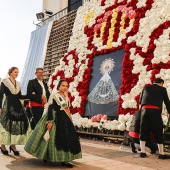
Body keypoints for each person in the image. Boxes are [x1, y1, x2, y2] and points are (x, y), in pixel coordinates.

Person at [24, 79, 82, 168]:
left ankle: (65, 159)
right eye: (63, 85)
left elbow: (67, 109)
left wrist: (70, 119)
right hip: (55, 117)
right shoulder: (55, 95)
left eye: (66, 86)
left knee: (66, 138)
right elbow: (50, 108)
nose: (65, 87)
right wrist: (50, 121)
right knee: (50, 138)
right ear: (58, 86)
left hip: (65, 119)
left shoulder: (66, 97)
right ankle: (46, 155)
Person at [0, 67, 31, 155]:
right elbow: (0, 94)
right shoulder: (5, 81)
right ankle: (3, 145)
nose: (17, 73)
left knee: (16, 124)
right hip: (7, 104)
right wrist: (0, 107)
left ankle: (13, 146)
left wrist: (32, 96)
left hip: (17, 105)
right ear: (10, 72)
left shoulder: (18, 83)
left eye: (17, 72)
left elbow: (20, 96)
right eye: (15, 72)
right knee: (6, 125)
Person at [139, 78, 170, 159]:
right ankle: (161, 153)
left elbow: (140, 101)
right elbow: (167, 102)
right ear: (161, 83)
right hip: (155, 111)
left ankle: (142, 152)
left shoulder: (145, 88)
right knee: (158, 131)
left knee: (144, 130)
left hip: (144, 111)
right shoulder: (162, 89)